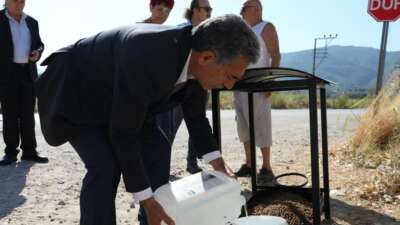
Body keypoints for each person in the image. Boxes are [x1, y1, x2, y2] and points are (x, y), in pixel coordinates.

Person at [35, 15, 259, 225]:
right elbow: (124, 134)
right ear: (207, 57)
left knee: (158, 148)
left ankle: (155, 219)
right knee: (105, 164)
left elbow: (196, 117)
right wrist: (146, 199)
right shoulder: (149, 55)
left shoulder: (197, 62)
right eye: (230, 77)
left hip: (122, 99)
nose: (230, 86)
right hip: (78, 93)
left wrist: (218, 163)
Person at [160, 0, 213, 174]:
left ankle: (192, 164)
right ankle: (161, 168)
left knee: (196, 125)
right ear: (195, 10)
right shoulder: (181, 30)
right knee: (169, 129)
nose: (209, 12)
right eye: (207, 9)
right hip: (178, 88)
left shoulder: (209, 34)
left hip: (198, 87)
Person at [234, 0, 281, 183]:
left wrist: (271, 80)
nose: (241, 12)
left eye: (244, 8)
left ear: (257, 10)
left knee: (261, 123)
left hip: (259, 81)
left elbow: (275, 55)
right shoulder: (242, 31)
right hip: (240, 82)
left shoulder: (266, 27)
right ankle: (249, 163)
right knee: (243, 124)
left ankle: (266, 166)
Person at [0, 0, 47, 166]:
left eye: (22, 0)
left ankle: (29, 151)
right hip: (6, 75)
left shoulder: (32, 22)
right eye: (15, 0)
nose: (19, 3)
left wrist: (37, 52)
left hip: (28, 73)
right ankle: (10, 153)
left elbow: (40, 44)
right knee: (10, 114)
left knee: (28, 114)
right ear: (6, 1)